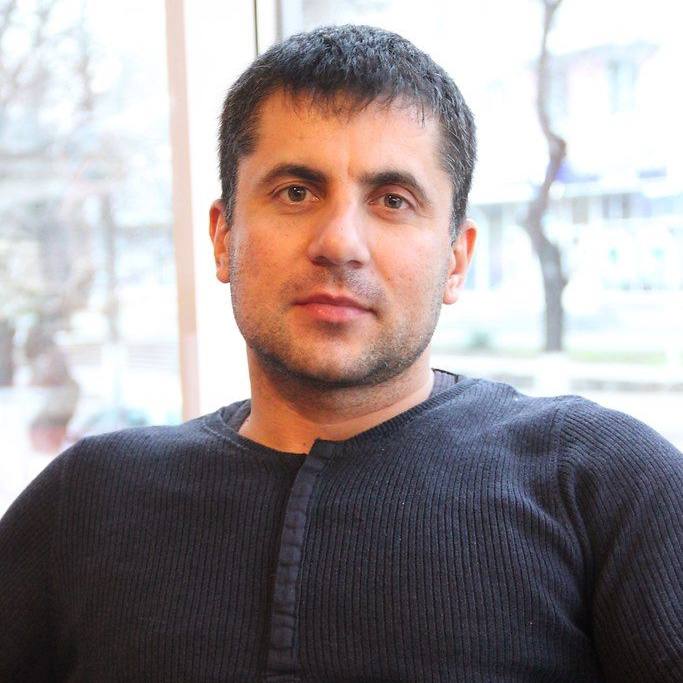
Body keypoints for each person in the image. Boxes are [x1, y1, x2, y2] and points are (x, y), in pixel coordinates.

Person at [1, 24, 681, 683]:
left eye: (392, 200)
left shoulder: (603, 486)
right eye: (296, 192)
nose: (340, 243)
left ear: (455, 259)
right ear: (223, 236)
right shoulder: (88, 501)